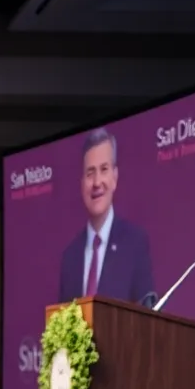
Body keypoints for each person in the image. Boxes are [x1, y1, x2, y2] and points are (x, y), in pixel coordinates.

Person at [57, 127, 154, 305]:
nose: (96, 182)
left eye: (104, 169)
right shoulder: (70, 257)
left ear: (115, 177)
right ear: (81, 184)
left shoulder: (135, 244)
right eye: (90, 173)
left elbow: (147, 319)